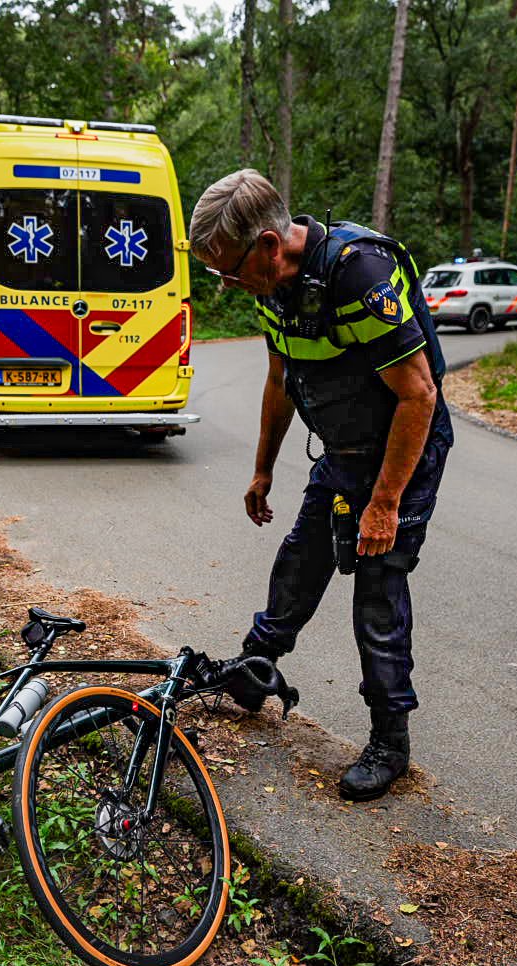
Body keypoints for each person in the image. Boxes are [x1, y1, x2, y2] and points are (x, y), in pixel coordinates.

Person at [189, 169, 453, 802]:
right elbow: (281, 380)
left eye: (229, 271)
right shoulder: (273, 288)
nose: (226, 287)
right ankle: (255, 670)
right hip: (342, 449)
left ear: (269, 248)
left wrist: (385, 504)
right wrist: (262, 468)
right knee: (302, 556)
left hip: (401, 452)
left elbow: (418, 396)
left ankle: (390, 741)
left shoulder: (357, 276)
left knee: (377, 586)